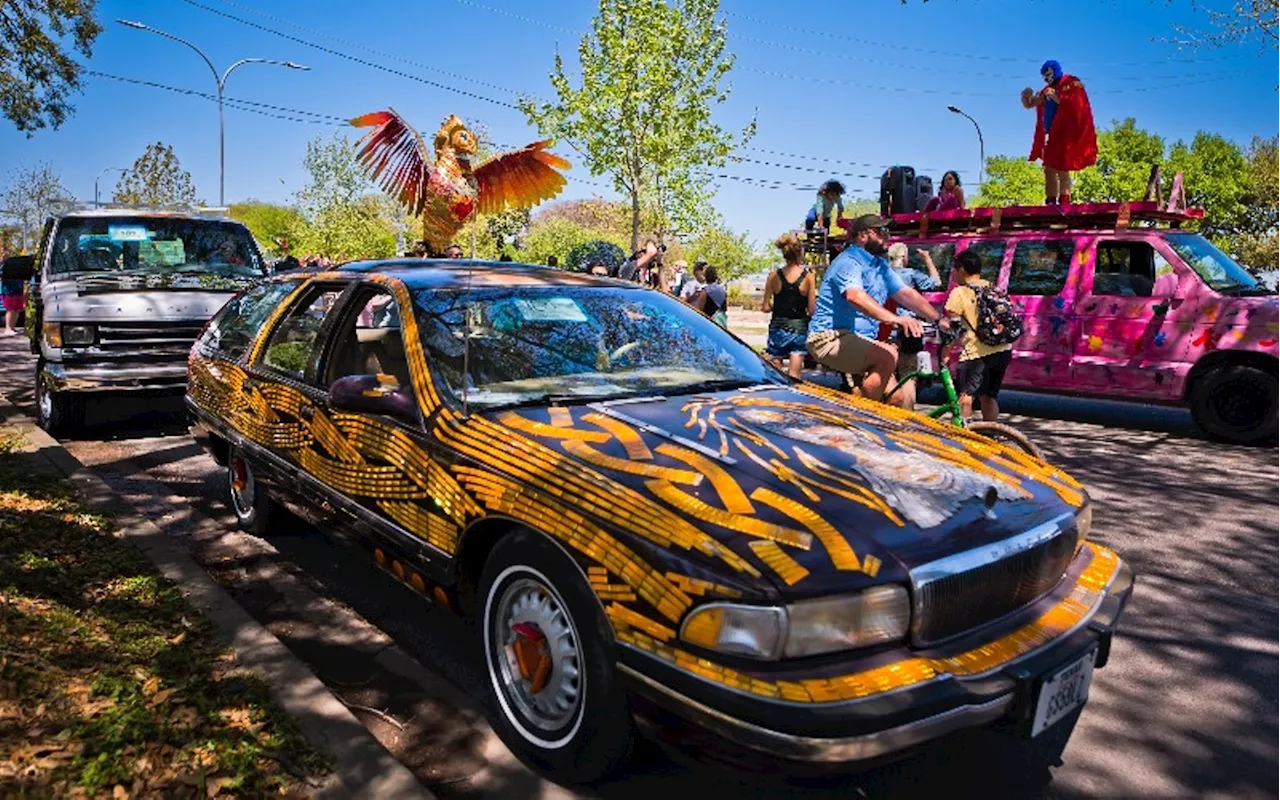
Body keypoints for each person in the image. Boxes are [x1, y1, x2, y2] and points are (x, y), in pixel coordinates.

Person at [806, 214, 949, 406]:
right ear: (863, 236)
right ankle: (861, 423)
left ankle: (876, 428)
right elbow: (855, 296)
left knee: (897, 398)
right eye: (881, 232)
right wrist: (896, 319)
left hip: (861, 340)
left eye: (887, 232)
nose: (887, 237)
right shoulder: (849, 261)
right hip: (830, 337)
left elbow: (906, 294)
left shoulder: (879, 266)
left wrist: (938, 319)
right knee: (887, 356)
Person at [943, 250, 1014, 423]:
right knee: (988, 396)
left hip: (976, 353)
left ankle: (964, 438)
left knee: (966, 396)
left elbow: (954, 327)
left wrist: (946, 352)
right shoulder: (994, 288)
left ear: (962, 271)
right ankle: (991, 434)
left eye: (954, 270)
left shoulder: (959, 292)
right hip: (1002, 350)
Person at [1022, 60, 1097, 205]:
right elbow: (1031, 104)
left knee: (1063, 167)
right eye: (1044, 76)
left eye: (1049, 74)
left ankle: (1065, 200)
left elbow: (1076, 103)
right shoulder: (1047, 89)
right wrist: (1026, 98)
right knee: (1049, 167)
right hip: (1052, 133)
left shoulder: (1071, 82)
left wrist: (1056, 95)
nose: (1046, 78)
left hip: (1067, 132)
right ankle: (1050, 200)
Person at [762, 233, 816, 379]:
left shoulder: (773, 276)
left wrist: (778, 306)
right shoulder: (809, 277)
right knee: (794, 377)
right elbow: (812, 310)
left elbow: (765, 307)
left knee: (776, 376)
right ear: (800, 252)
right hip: (799, 329)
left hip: (777, 328)